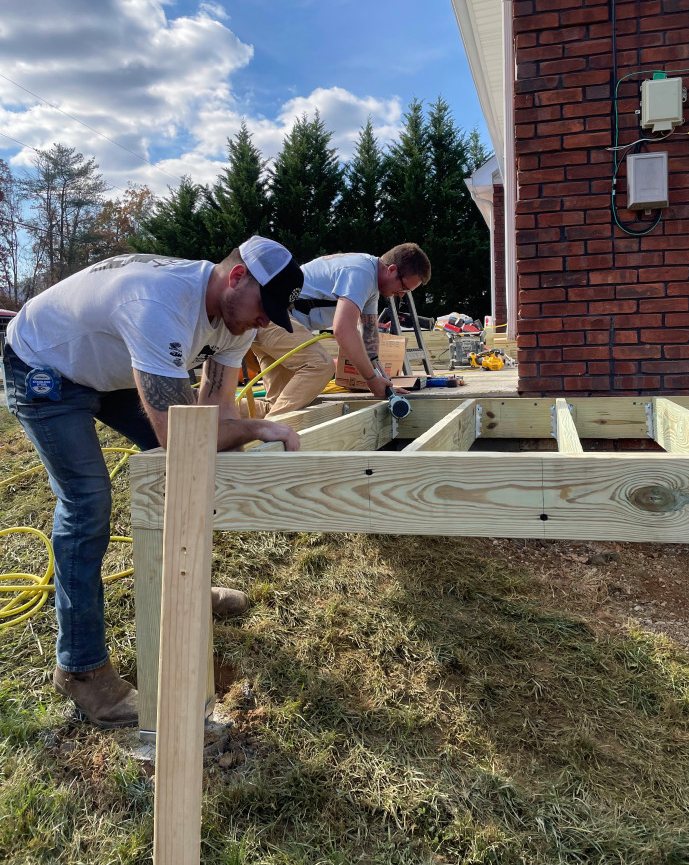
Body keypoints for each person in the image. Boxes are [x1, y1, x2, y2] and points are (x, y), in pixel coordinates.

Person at [2, 236, 304, 729]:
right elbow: (179, 433)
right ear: (236, 277)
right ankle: (81, 671)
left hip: (111, 371)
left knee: (191, 464)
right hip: (44, 367)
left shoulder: (238, 320)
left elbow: (210, 425)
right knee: (87, 502)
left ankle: (185, 587)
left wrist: (236, 434)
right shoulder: (158, 301)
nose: (265, 321)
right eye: (263, 307)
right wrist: (258, 427)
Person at [250, 243, 431, 418]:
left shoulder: (371, 284)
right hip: (273, 317)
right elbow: (343, 330)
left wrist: (381, 381)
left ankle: (225, 419)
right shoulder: (362, 273)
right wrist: (370, 379)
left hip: (276, 321)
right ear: (391, 269)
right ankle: (268, 436)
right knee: (320, 366)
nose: (401, 295)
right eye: (404, 288)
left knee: (279, 406)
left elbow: (369, 337)